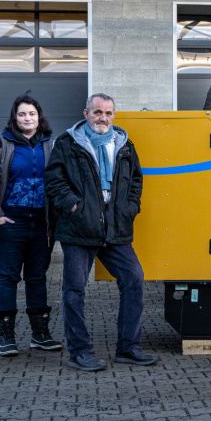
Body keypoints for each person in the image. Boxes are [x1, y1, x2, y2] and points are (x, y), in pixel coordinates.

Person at [44, 93, 158, 372]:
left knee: (134, 280)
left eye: (108, 113)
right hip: (79, 228)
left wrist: (130, 208)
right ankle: (80, 352)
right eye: (97, 112)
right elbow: (54, 181)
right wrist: (73, 207)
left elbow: (135, 182)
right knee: (74, 290)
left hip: (116, 226)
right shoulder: (68, 143)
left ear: (113, 116)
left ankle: (128, 348)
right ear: (86, 113)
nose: (102, 118)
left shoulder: (125, 145)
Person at [0, 93, 62, 357]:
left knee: (37, 278)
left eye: (32, 114)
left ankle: (40, 335)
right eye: (22, 114)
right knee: (8, 277)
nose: (27, 118)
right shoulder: (1, 144)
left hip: (42, 224)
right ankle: (7, 337)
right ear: (14, 118)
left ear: (40, 117)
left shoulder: (52, 144)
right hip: (10, 223)